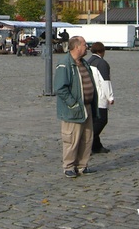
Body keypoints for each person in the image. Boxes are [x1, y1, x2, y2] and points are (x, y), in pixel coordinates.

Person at [54, 36, 99, 178]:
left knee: (87, 138)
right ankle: (69, 166)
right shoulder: (65, 64)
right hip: (73, 109)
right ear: (77, 47)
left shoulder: (83, 63)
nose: (87, 47)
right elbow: (60, 88)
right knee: (72, 139)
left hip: (87, 107)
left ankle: (82, 165)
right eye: (85, 44)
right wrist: (73, 104)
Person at [86, 42, 114, 154]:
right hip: (100, 96)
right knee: (102, 120)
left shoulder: (88, 61)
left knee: (94, 120)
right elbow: (105, 81)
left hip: (90, 95)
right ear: (102, 51)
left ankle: (96, 145)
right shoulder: (101, 63)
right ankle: (88, 142)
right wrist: (110, 96)